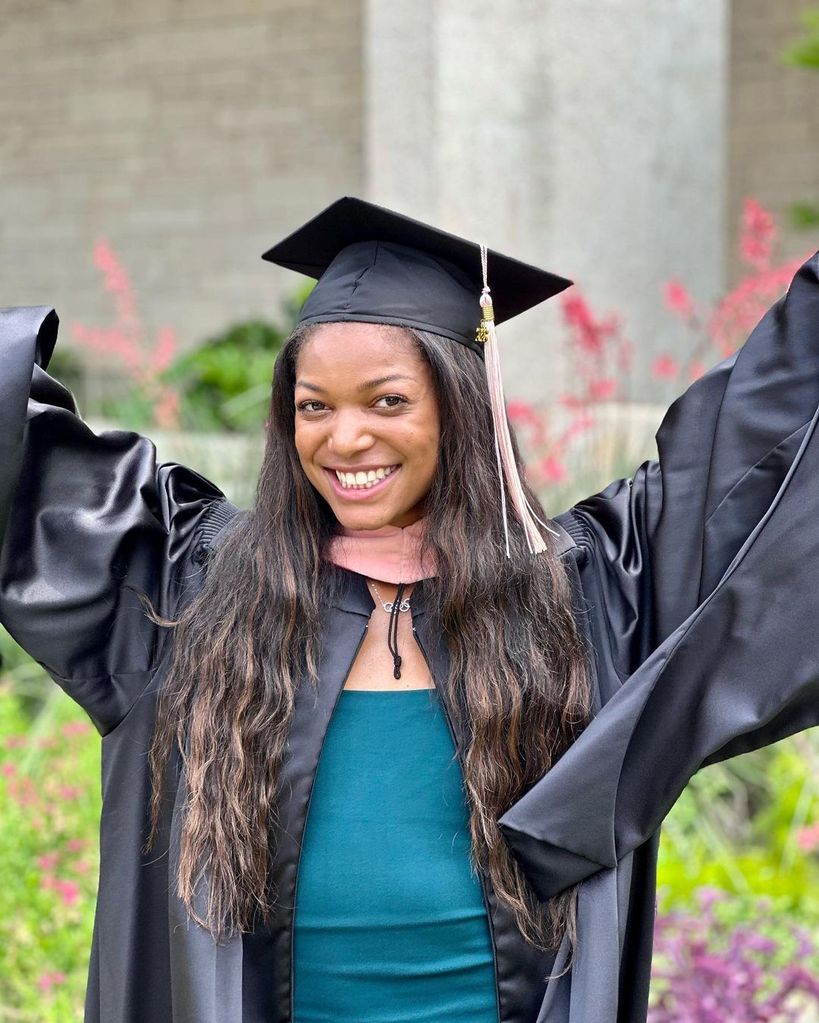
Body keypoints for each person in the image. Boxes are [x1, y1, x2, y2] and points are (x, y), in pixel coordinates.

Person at [1, 196, 818, 1023]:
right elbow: (24, 468)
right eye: (313, 405)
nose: (343, 438)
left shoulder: (587, 594)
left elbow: (759, 447)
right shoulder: (191, 586)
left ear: (459, 407)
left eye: (386, 401)